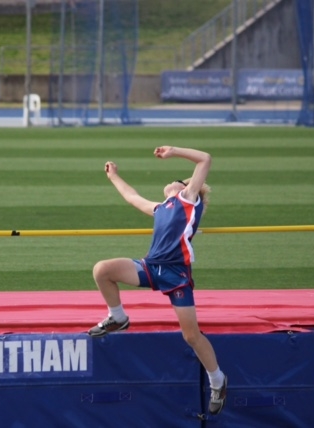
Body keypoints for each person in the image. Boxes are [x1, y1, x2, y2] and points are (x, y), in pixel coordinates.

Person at [87, 145, 227, 415]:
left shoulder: (188, 197)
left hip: (176, 274)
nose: (170, 181)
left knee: (191, 336)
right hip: (151, 267)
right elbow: (132, 197)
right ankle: (117, 317)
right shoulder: (160, 208)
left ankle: (217, 381)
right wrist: (114, 176)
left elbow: (205, 159)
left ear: (184, 186)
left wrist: (173, 151)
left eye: (177, 179)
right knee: (102, 270)